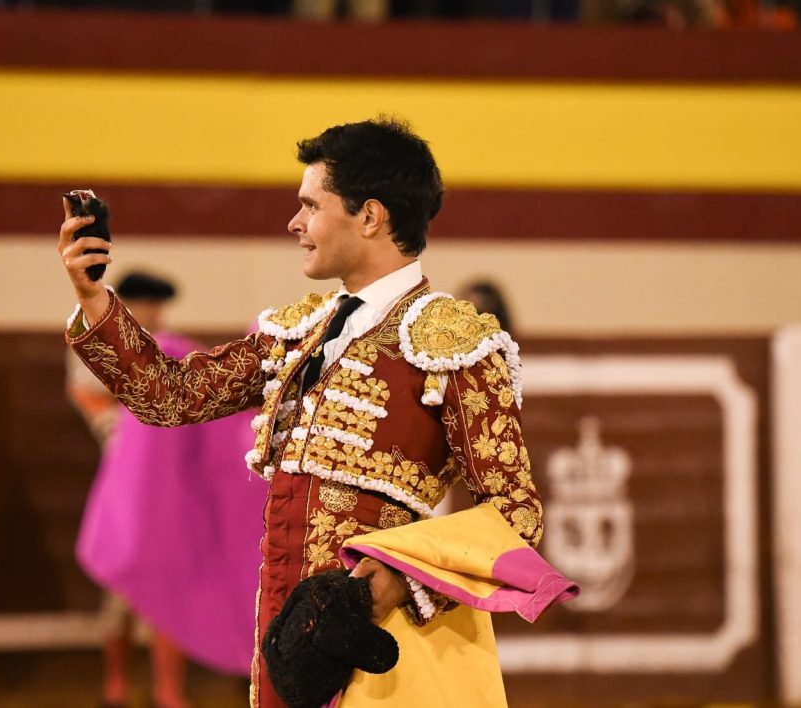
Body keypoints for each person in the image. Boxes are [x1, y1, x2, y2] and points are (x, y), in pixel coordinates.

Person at [58, 118, 573, 707]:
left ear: (370, 216)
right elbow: (169, 394)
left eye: (310, 205)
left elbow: (515, 514)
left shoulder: (452, 342)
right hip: (280, 632)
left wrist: (398, 583)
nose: (294, 223)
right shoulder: (297, 332)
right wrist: (94, 296)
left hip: (384, 645)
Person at [67, 272, 263, 708]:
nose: (153, 314)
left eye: (157, 306)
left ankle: (166, 691)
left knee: (173, 586)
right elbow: (107, 416)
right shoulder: (102, 349)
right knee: (123, 594)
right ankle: (117, 686)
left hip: (172, 494)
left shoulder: (170, 352)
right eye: (145, 305)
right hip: (125, 493)